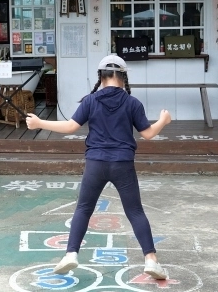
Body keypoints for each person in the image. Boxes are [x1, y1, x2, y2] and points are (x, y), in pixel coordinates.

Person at [26, 54, 171, 279]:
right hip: (123, 164)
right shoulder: (132, 103)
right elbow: (148, 134)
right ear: (123, 76)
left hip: (95, 163)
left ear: (100, 77)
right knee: (135, 211)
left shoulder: (90, 101)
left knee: (83, 208)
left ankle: (71, 254)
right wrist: (163, 120)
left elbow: (71, 126)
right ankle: (150, 259)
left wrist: (38, 123)